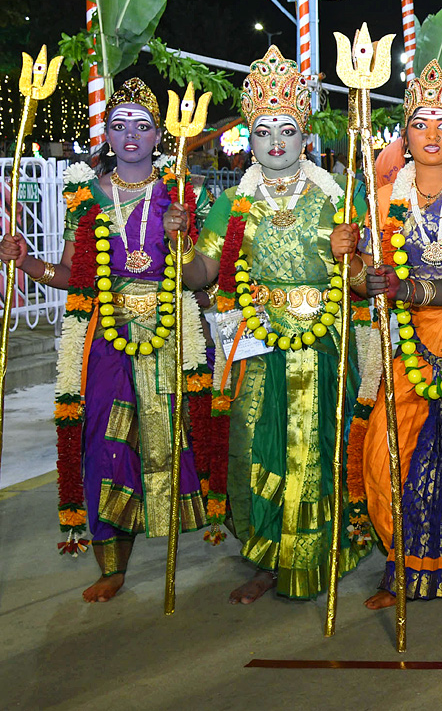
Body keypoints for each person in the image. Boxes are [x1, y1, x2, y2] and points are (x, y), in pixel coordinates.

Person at [0, 77, 212, 602]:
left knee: (167, 439)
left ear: (160, 134)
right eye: (119, 126)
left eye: (143, 125)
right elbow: (76, 273)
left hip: (165, 336)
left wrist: (181, 237)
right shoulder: (84, 195)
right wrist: (26, 260)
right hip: (104, 338)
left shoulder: (181, 191)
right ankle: (111, 564)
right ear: (108, 137)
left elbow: (206, 277)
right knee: (104, 441)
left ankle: (169, 537)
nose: (131, 136)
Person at [180, 46, 375, 603]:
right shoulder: (232, 203)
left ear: (304, 135)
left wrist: (351, 256)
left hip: (322, 342)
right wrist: (174, 249)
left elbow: (368, 281)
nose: (274, 142)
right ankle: (267, 555)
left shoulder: (339, 195)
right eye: (262, 131)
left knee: (314, 448)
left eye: (285, 129)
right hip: (257, 338)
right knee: (256, 446)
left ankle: (319, 551)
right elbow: (202, 273)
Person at [355, 60, 442, 609]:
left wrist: (408, 289)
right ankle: (406, 561)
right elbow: (366, 281)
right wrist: (352, 260)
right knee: (384, 455)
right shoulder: (383, 195)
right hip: (406, 344)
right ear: (405, 133)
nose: (432, 135)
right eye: (421, 123)